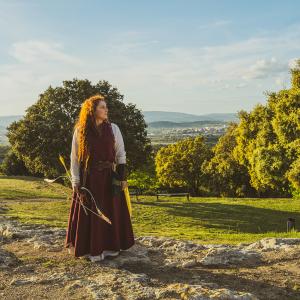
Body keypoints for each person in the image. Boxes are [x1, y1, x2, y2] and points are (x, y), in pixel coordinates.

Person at [64, 94, 135, 262]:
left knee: (110, 212)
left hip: (109, 179)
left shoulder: (114, 129)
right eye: (102, 107)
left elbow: (121, 155)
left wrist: (122, 178)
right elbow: (74, 159)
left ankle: (110, 248)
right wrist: (76, 181)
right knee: (90, 215)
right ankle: (89, 249)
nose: (106, 110)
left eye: (105, 106)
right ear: (92, 110)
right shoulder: (80, 131)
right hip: (88, 179)